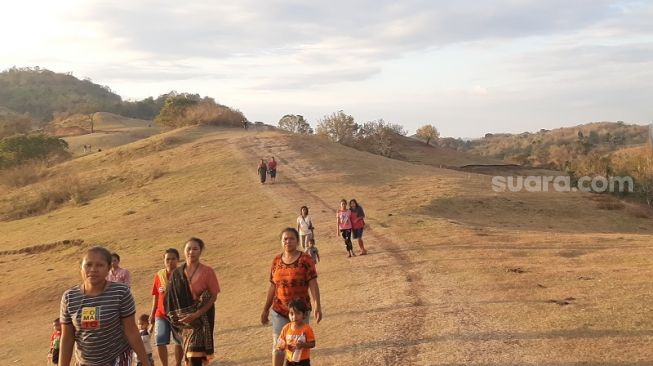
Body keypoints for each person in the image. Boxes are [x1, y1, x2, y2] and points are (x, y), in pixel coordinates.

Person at [59, 246, 152, 366]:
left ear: (108, 268)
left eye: (99, 265)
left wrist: (145, 362)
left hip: (117, 356)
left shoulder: (120, 293)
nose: (93, 269)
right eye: (88, 264)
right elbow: (67, 338)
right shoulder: (69, 297)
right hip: (85, 361)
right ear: (81, 268)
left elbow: (131, 331)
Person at [261, 228, 322, 366]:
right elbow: (272, 286)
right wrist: (265, 309)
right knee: (279, 346)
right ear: (281, 242)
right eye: (285, 239)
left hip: (300, 311)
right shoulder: (276, 260)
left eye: (291, 238)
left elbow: (313, 282)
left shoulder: (306, 259)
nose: (288, 241)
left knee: (298, 345)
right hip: (279, 310)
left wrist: (317, 305)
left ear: (297, 240)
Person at [165, 238, 220, 366]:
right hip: (183, 324)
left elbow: (213, 296)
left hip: (202, 320)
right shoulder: (177, 274)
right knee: (191, 357)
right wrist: (180, 318)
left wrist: (196, 314)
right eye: (188, 248)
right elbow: (170, 299)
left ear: (200, 251)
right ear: (184, 251)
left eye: (195, 249)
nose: (191, 252)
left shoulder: (208, 272)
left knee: (194, 355)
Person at [150, 248, 183, 366]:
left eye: (173, 259)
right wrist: (152, 313)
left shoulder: (182, 274)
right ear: (163, 260)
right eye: (167, 259)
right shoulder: (159, 275)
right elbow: (156, 296)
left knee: (179, 341)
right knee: (159, 341)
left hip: (178, 314)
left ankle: (178, 364)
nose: (170, 261)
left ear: (178, 260)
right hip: (161, 314)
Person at [275, 299, 316, 366]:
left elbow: (312, 344)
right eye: (291, 314)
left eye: (298, 313)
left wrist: (303, 345)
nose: (294, 317)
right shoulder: (286, 328)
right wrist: (284, 346)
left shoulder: (307, 329)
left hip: (303, 361)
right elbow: (280, 343)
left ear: (304, 315)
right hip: (289, 360)